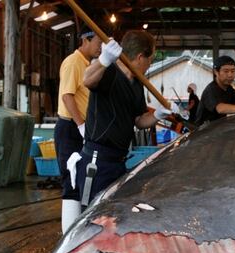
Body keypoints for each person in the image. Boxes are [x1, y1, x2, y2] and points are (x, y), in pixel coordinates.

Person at [74, 30, 176, 206]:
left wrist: (158, 115)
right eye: (150, 60)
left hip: (119, 161)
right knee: (93, 216)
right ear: (139, 57)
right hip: (97, 161)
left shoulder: (137, 84)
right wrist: (104, 59)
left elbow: (139, 121)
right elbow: (87, 80)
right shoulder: (108, 70)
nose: (149, 65)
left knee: (114, 214)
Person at [54, 27, 101, 233]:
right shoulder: (74, 62)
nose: (101, 48)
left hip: (80, 127)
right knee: (71, 180)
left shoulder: (87, 65)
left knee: (82, 179)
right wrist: (80, 124)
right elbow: (67, 96)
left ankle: (78, 232)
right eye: (99, 43)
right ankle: (68, 238)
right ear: (86, 40)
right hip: (70, 128)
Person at [195, 55, 235, 125]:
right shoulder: (211, 89)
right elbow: (220, 108)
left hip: (217, 128)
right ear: (216, 72)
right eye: (226, 71)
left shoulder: (228, 89)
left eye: (233, 71)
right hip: (202, 131)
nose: (230, 75)